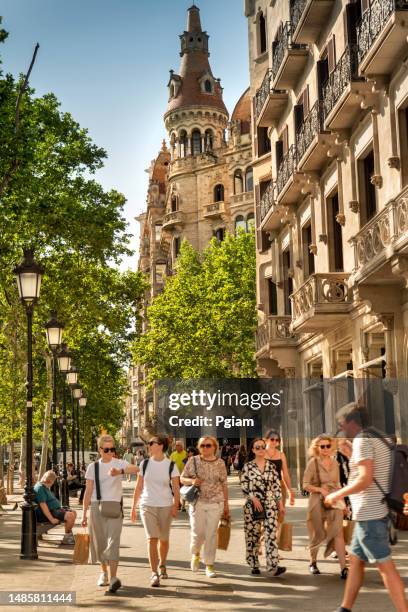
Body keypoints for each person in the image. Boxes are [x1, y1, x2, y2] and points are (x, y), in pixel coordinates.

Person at [325, 403, 408, 612]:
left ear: (352, 422)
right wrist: (350, 455)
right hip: (375, 510)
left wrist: (337, 493)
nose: (340, 430)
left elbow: (366, 478)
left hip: (371, 512)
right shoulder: (377, 436)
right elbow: (376, 469)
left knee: (385, 567)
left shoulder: (362, 439)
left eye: (341, 425)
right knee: (356, 561)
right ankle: (344, 608)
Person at [81, 434, 139, 593]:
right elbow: (88, 490)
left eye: (112, 449)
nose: (110, 452)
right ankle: (103, 573)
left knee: (113, 542)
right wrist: (84, 513)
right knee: (100, 543)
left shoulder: (119, 462)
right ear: (100, 450)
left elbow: (136, 469)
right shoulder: (93, 467)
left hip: (114, 507)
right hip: (96, 506)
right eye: (106, 450)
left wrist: (120, 471)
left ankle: (113, 577)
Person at [131, 434, 180, 587]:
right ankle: (153, 573)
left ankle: (162, 564)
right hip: (147, 504)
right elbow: (139, 487)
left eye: (152, 443)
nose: (149, 445)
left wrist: (175, 505)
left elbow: (176, 488)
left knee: (163, 539)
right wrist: (133, 507)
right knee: (152, 538)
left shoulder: (171, 465)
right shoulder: (144, 464)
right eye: (149, 443)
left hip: (165, 505)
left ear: (161, 446)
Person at [181, 436, 229, 578]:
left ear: (215, 447)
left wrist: (226, 505)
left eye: (208, 445)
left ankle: (209, 565)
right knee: (198, 533)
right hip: (198, 502)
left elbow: (224, 485)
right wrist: (192, 481)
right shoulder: (193, 460)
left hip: (216, 502)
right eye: (202, 446)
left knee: (211, 534)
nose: (205, 448)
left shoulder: (220, 463)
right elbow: (182, 478)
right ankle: (195, 554)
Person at [302, 434, 347, 579]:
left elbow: (339, 484)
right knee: (317, 533)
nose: (326, 449)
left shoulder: (335, 463)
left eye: (328, 446)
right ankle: (313, 562)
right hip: (317, 501)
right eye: (322, 446)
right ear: (317, 448)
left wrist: (343, 503)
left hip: (334, 500)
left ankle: (343, 568)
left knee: (339, 534)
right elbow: (305, 485)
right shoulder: (312, 463)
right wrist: (320, 489)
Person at [240, 438, 285, 577]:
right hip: (252, 505)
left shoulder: (271, 466)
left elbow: (276, 486)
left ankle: (273, 565)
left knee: (270, 534)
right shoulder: (247, 466)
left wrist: (281, 504)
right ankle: (253, 563)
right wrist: (252, 498)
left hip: (270, 504)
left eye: (262, 447)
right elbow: (244, 486)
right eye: (257, 447)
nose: (260, 449)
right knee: (252, 535)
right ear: (253, 450)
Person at [34, 470, 77, 545]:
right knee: (70, 516)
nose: (52, 484)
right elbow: (43, 506)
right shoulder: (40, 488)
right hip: (50, 512)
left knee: (73, 512)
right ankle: (67, 537)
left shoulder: (44, 486)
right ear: (49, 481)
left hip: (55, 510)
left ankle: (68, 534)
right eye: (53, 482)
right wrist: (52, 519)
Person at [264, 430, 295, 506]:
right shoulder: (261, 454)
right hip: (264, 486)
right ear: (266, 440)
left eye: (277, 440)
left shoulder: (281, 455)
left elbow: (285, 474)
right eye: (272, 439)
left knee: (280, 514)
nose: (274, 441)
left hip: (279, 486)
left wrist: (290, 490)